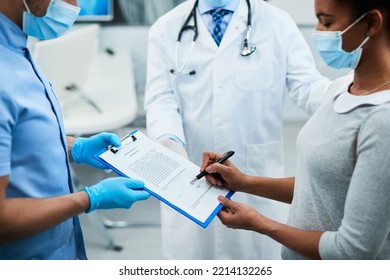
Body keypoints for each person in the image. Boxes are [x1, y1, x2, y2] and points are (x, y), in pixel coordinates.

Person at [201, 0, 390, 259]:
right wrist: (244, 182)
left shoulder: (382, 120)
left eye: (327, 22)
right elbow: (323, 188)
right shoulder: (341, 88)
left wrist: (260, 223)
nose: (318, 32)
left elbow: (353, 251)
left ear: (372, 23)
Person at [144, 0, 331, 259]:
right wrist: (170, 148)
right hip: (189, 175)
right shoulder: (166, 28)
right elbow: (160, 99)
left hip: (255, 174)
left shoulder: (277, 22)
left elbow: (308, 87)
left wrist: (349, 96)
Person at [0, 0, 150, 260]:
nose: (74, 5)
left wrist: (75, 147)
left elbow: (20, 138)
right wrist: (89, 199)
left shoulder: (16, 48)